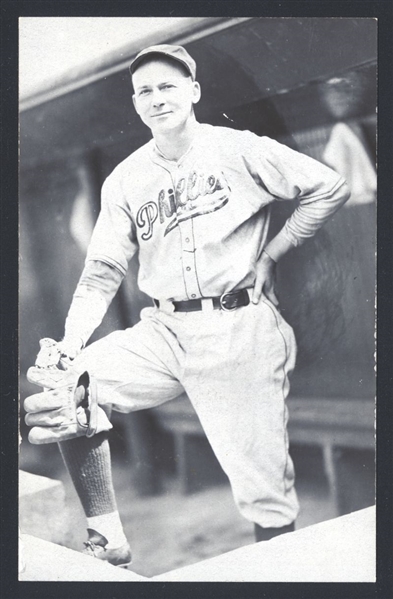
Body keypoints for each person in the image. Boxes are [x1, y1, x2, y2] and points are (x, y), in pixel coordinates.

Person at [24, 44, 350, 568]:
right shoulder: (126, 179)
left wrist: (274, 252)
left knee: (263, 490)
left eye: (168, 86)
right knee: (71, 384)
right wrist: (69, 342)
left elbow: (328, 187)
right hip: (165, 328)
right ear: (135, 103)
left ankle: (282, 574)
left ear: (194, 91)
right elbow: (103, 270)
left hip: (238, 326)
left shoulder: (240, 148)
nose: (157, 98)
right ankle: (108, 534)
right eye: (145, 91)